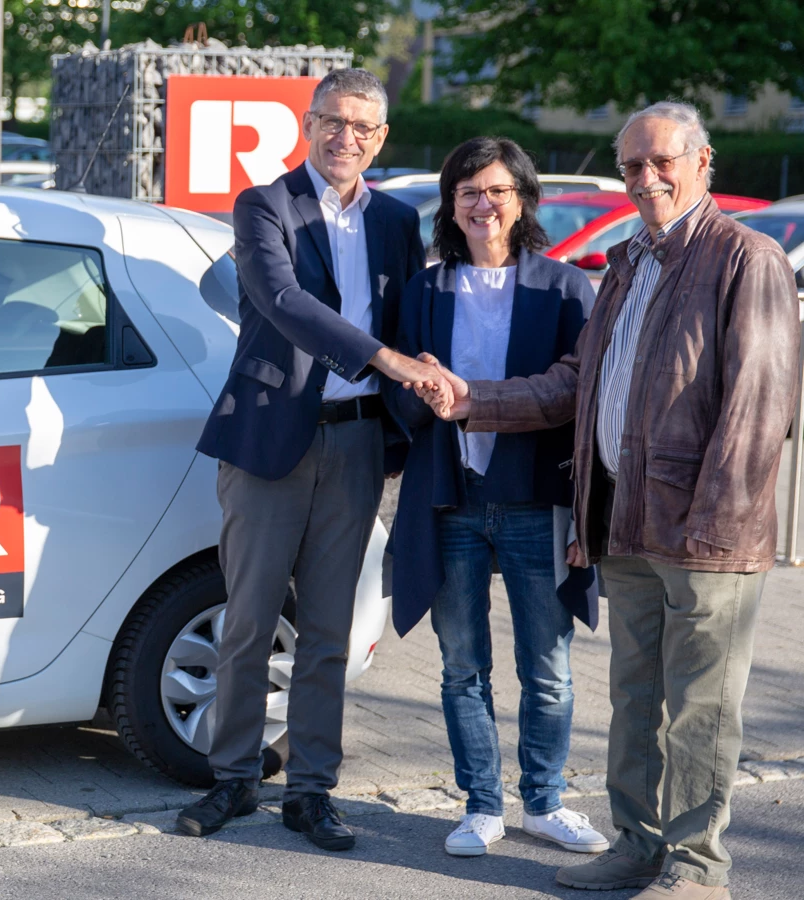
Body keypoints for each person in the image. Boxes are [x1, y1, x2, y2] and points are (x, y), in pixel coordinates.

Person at [419, 102, 798, 899]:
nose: (645, 177)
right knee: (635, 700)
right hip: (625, 521)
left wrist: (716, 530)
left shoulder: (745, 258)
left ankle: (697, 870)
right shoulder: (628, 262)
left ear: (703, 162)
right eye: (631, 166)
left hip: (705, 536)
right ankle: (636, 843)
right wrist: (472, 402)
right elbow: (574, 387)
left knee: (700, 710)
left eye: (661, 161)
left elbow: (760, 406)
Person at [185, 68, 445, 850]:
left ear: (381, 139)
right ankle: (232, 777)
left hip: (358, 440)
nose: (346, 138)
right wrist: (387, 360)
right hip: (270, 437)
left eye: (363, 128)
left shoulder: (398, 221)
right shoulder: (264, 205)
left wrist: (410, 410)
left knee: (329, 629)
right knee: (250, 622)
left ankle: (311, 790)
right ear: (308, 122)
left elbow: (413, 311)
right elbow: (283, 302)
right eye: (333, 121)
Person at [383, 136, 607, 859]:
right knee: (461, 664)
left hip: (537, 498)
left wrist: (589, 516)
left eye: (497, 191)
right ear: (451, 206)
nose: (483, 205)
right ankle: (481, 803)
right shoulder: (425, 290)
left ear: (523, 200)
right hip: (451, 501)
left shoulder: (566, 289)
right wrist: (418, 388)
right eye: (468, 192)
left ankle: (543, 803)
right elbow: (399, 401)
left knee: (548, 667)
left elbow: (585, 404)